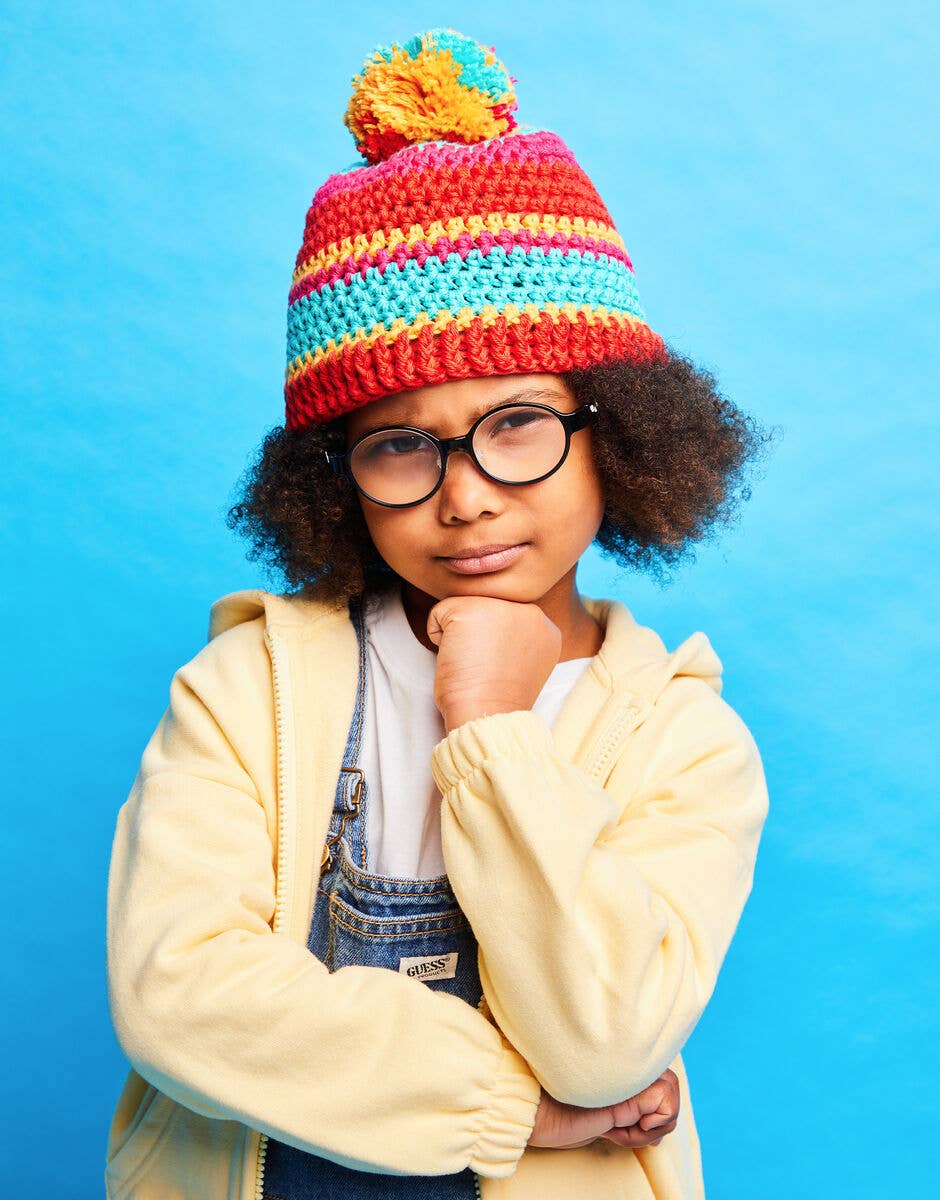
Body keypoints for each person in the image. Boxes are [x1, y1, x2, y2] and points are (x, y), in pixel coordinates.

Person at [104, 27, 773, 1200]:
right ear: (331, 476)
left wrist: (490, 723)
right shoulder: (241, 691)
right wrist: (513, 1106)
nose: (463, 496)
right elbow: (177, 992)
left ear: (617, 430)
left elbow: (605, 1042)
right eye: (398, 445)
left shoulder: (686, 742)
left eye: (518, 423)